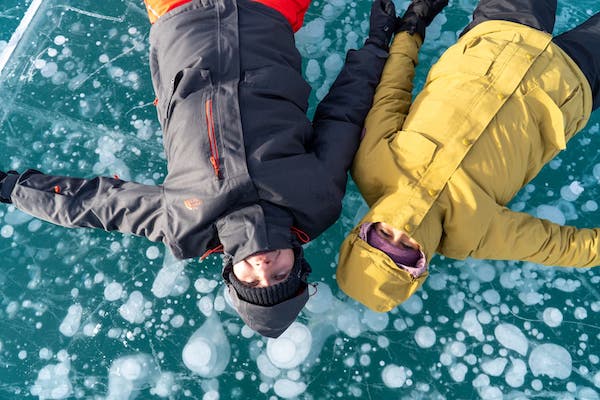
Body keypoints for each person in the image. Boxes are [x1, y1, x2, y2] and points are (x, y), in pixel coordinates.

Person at [0, 0, 446, 337]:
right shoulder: (318, 202)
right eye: (280, 277)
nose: (263, 266)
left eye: (253, 280)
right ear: (299, 268)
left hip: (179, 15)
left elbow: (94, 206)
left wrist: (10, 187)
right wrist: (375, 44)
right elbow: (344, 115)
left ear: (231, 275)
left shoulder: (184, 224)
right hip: (269, 13)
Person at [337, 0, 600, 313]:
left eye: (383, 234)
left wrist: (412, 30)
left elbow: (392, 92)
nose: (403, 229)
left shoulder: (371, 166)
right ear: (420, 268)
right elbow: (571, 248)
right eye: (406, 248)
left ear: (362, 230)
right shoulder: (478, 234)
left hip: (498, 36)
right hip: (569, 82)